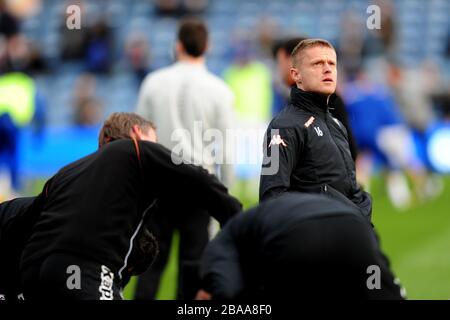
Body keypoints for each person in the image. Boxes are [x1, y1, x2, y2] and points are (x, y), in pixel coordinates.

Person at [18, 112, 241, 300]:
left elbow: (27, 219)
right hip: (80, 268)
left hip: (30, 273)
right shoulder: (135, 150)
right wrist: (238, 222)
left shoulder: (66, 173)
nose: (156, 148)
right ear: (136, 132)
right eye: (154, 141)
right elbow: (198, 178)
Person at [135, 18, 236, 300]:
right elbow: (226, 150)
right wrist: (223, 198)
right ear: (207, 46)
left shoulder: (153, 83)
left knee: (149, 263)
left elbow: (138, 137)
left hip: (158, 184)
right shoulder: (219, 90)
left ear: (177, 45)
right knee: (192, 267)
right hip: (198, 185)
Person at [199, 192, 405, 300]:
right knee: (378, 289)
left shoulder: (221, 245)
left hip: (297, 235)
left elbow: (226, 293)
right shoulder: (243, 234)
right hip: (356, 229)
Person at [259, 39, 371, 221]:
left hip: (345, 237)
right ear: (296, 75)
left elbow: (348, 187)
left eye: (332, 64)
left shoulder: (335, 123)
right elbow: (271, 197)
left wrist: (360, 213)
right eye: (317, 64)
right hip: (312, 240)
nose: (327, 69)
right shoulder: (284, 126)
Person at [272, 36, 358, 160]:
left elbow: (349, 150)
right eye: (318, 63)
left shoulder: (332, 102)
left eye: (280, 62)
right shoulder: (287, 109)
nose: (279, 69)